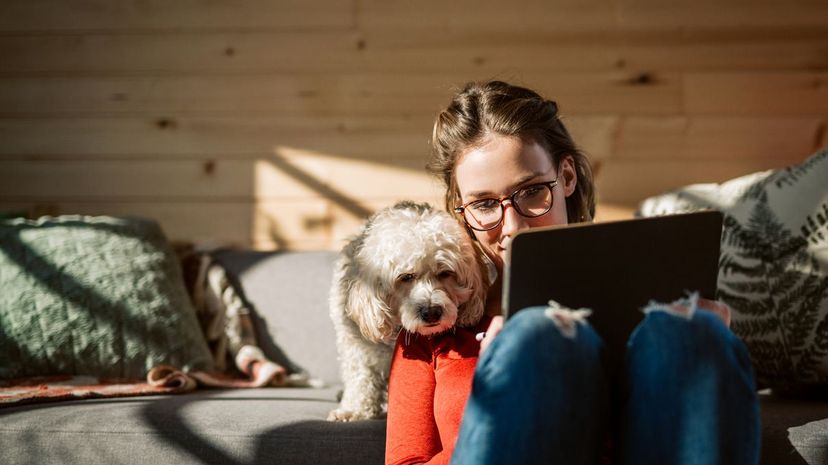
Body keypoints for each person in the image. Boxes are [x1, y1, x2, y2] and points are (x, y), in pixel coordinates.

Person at [384, 80, 760, 465]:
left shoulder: (655, 322)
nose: (513, 227)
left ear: (566, 178)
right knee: (538, 335)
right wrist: (502, 391)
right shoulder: (429, 331)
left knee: (691, 331)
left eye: (531, 192)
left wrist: (711, 345)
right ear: (460, 208)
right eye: (483, 204)